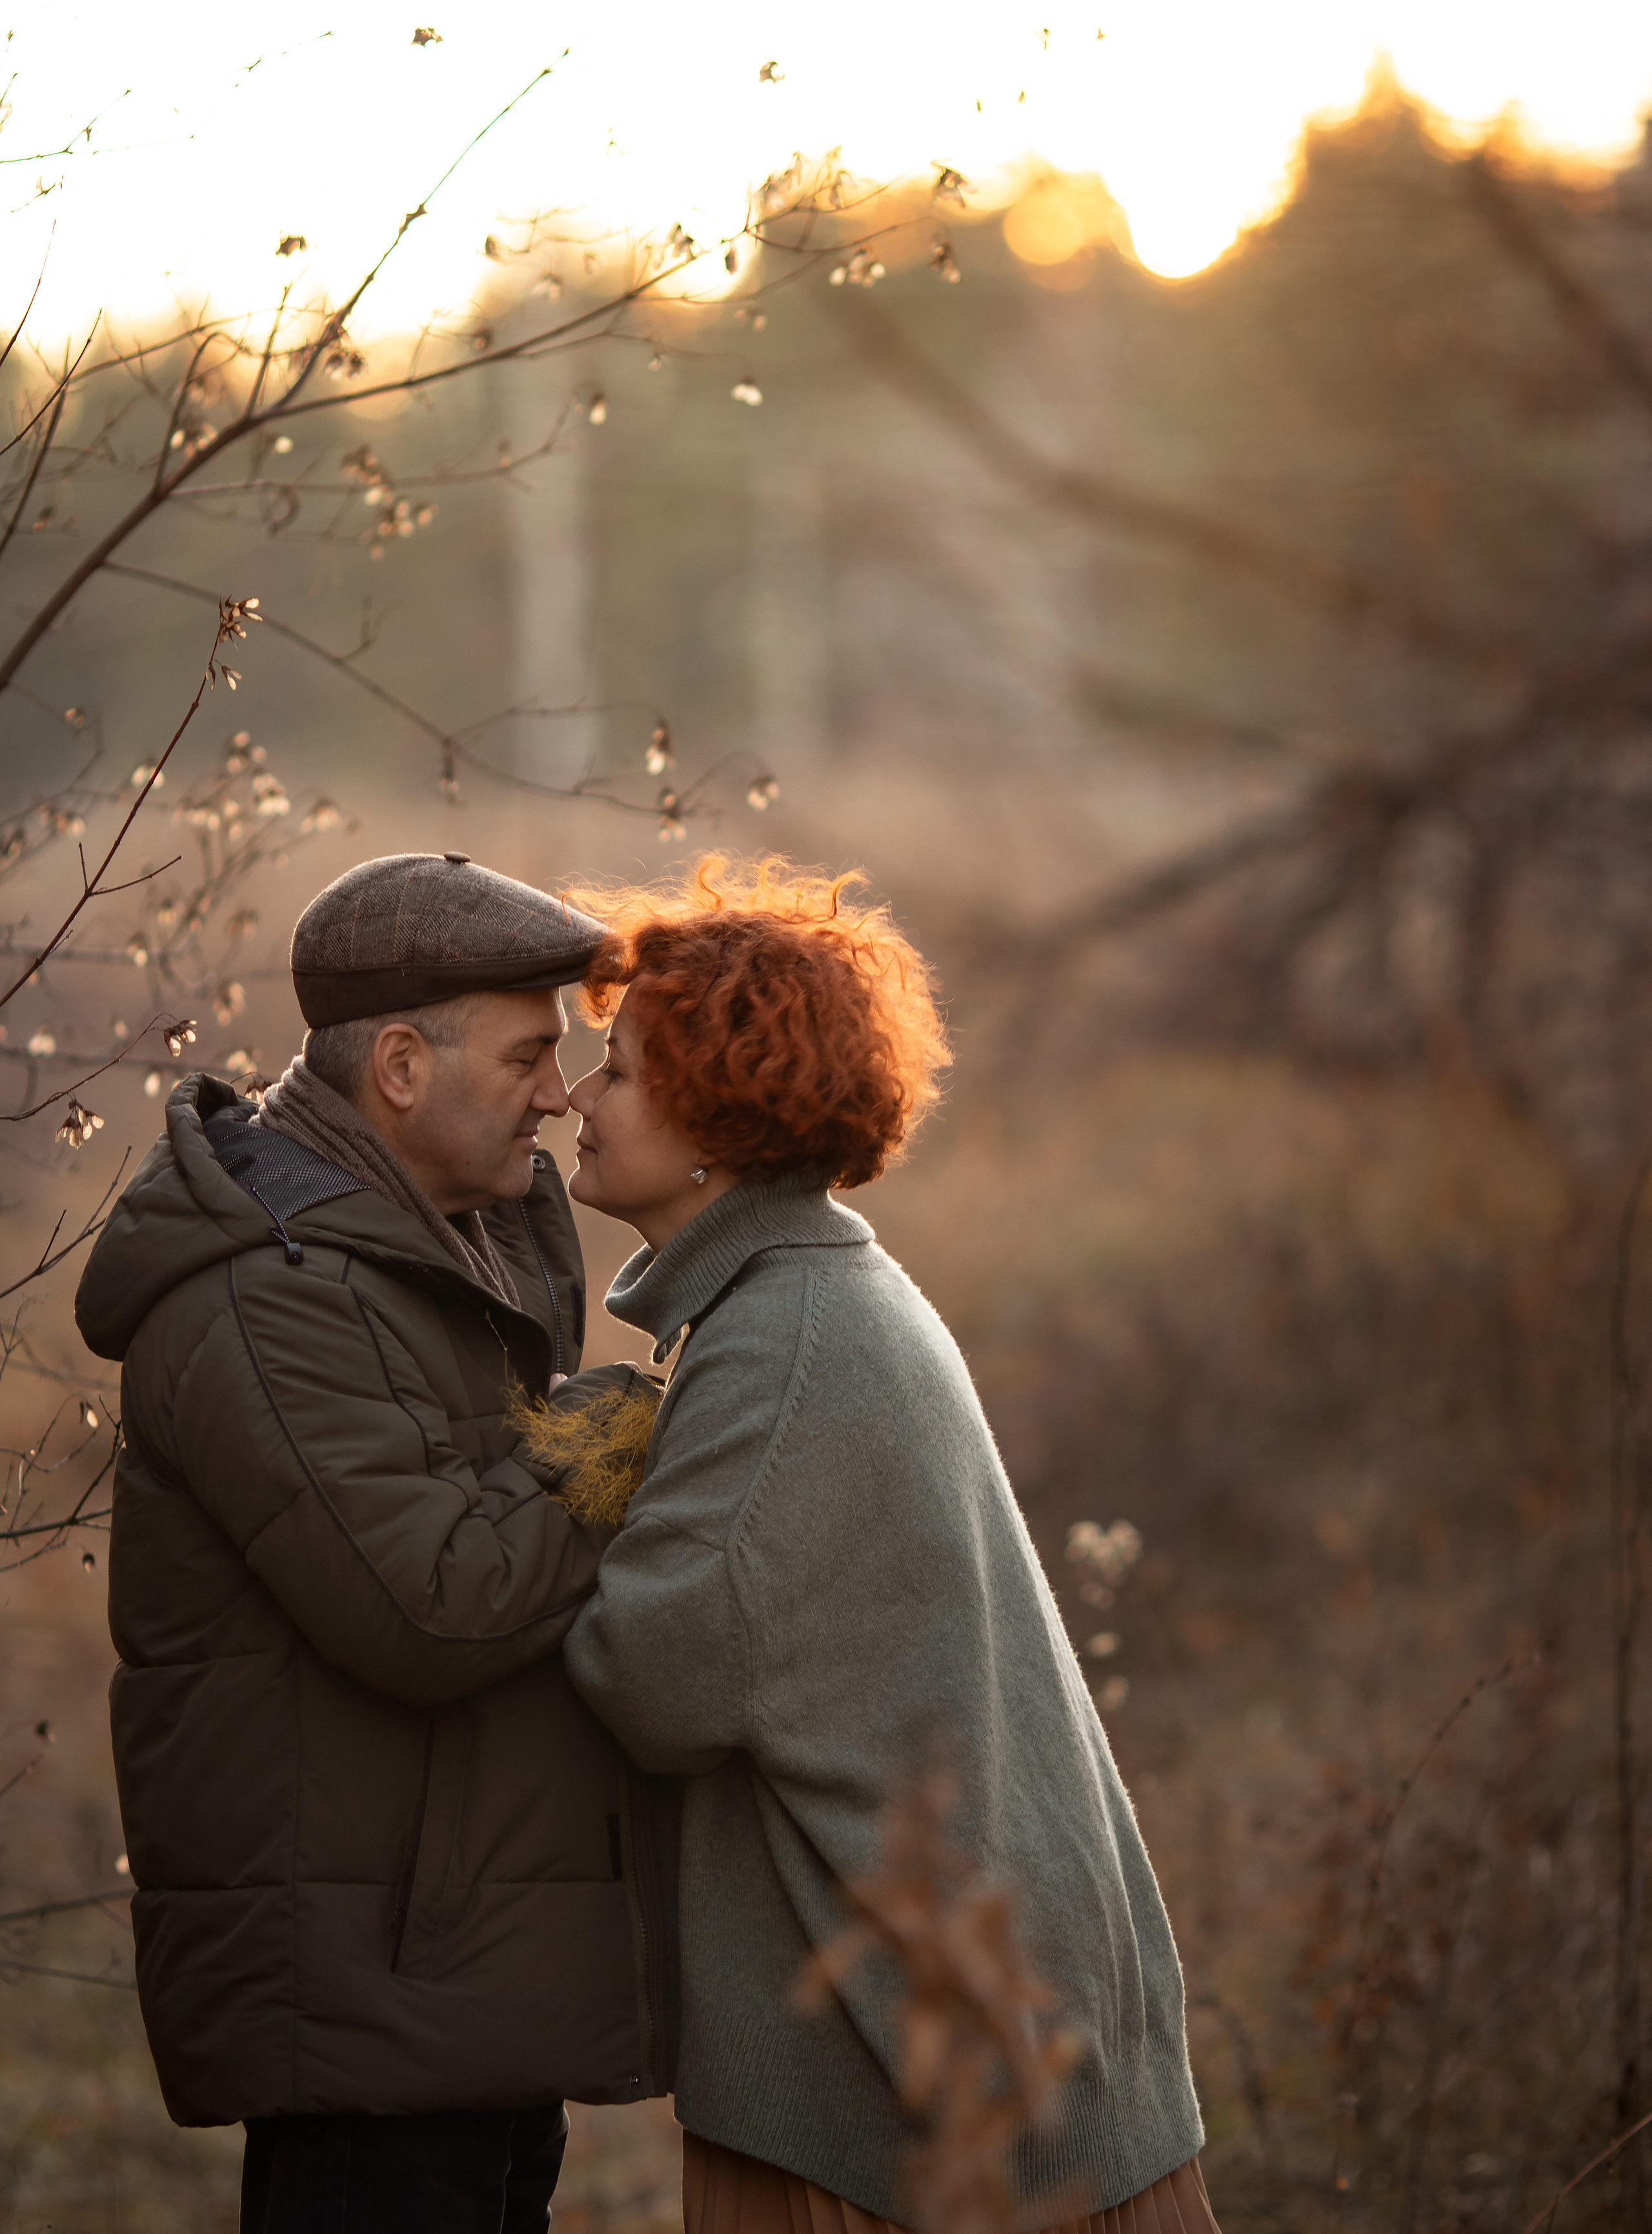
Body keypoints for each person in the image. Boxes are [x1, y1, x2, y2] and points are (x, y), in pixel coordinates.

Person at [554, 855, 1218, 2234]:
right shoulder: (810, 1291)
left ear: (709, 1117)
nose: (573, 1095)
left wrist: (558, 1487)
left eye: (610, 1071)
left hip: (901, 2096)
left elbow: (652, 1675)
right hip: (969, 2035)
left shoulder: (778, 1341)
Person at [75, 851, 676, 2234]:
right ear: (399, 1067)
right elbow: (439, 1605)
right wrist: (629, 1433)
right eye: (531, 1056)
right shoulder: (261, 1295)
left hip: (456, 1975)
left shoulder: (451, 1235)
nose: (560, 1093)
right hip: (373, 2003)